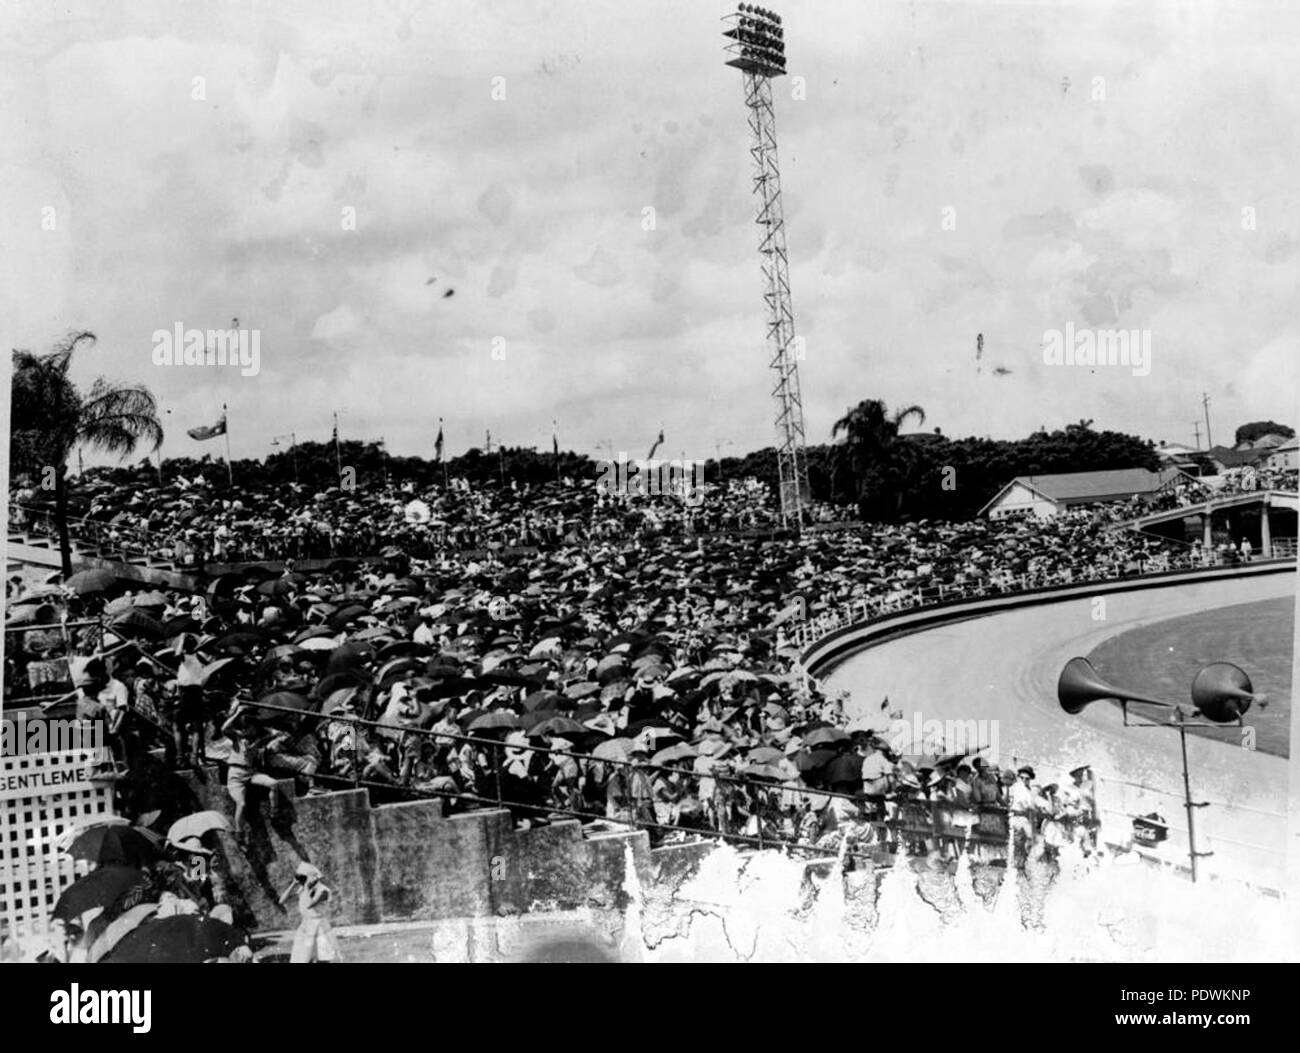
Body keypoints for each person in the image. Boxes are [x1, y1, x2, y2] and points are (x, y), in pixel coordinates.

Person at [280, 862, 340, 963]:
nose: (301, 881)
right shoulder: (302, 890)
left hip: (319, 926)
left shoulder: (323, 891)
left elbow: (310, 905)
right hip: (306, 925)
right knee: (301, 957)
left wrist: (307, 887)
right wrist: (293, 884)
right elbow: (281, 900)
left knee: (323, 957)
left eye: (303, 878)